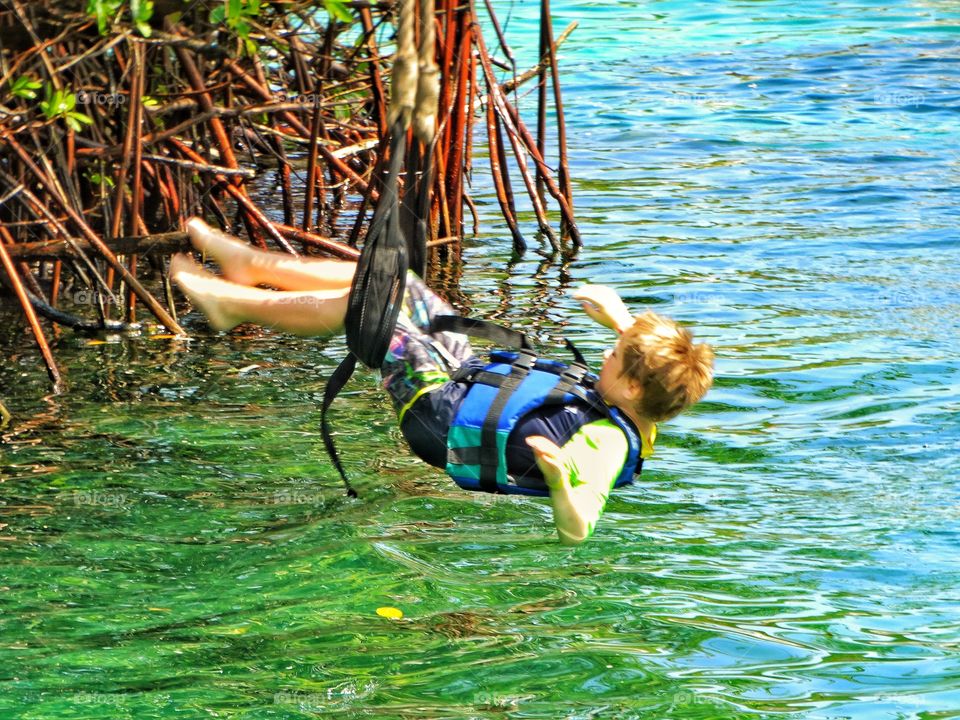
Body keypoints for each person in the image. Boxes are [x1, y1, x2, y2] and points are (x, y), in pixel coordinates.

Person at [170, 218, 715, 545]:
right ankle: (250, 264)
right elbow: (639, 356)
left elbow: (578, 530)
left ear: (636, 388)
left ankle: (232, 304)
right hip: (460, 378)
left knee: (369, 312)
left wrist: (559, 482)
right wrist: (622, 320)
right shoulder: (636, 392)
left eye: (614, 353)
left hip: (441, 419)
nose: (605, 351)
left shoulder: (605, 441)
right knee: (399, 283)